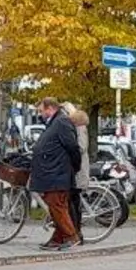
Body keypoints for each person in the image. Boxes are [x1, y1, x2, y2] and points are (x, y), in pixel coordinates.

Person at [28, 97, 81, 250]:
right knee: (55, 206)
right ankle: (58, 238)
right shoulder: (55, 122)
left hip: (57, 172)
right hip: (52, 172)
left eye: (41, 110)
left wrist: (74, 167)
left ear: (50, 108)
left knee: (57, 205)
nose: (40, 113)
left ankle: (71, 236)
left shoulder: (61, 122)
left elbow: (72, 147)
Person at [64, 104, 91, 245]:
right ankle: (75, 232)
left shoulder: (80, 129)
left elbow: (80, 147)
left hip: (78, 170)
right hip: (77, 169)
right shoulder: (79, 128)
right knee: (73, 200)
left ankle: (76, 232)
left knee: (73, 200)